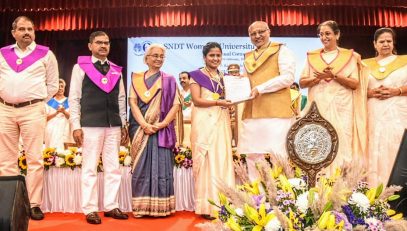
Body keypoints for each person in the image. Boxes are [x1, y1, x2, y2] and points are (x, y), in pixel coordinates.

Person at [0, 16, 59, 220]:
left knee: (34, 158)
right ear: (13, 32)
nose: (27, 32)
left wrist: (37, 102)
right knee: (6, 159)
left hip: (33, 110)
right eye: (22, 29)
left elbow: (52, 84)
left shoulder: (45, 54)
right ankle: (8, 201)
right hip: (5, 109)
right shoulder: (3, 53)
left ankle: (34, 204)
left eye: (30, 29)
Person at [69, 31, 128, 224]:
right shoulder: (80, 68)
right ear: (90, 46)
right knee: (89, 168)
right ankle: (90, 208)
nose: (103, 46)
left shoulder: (115, 69)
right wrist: (75, 125)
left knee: (113, 168)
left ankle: (111, 205)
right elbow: (74, 98)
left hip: (113, 125)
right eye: (99, 43)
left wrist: (123, 122)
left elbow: (121, 99)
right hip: (90, 125)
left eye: (106, 43)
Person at [299, 20, 367, 173]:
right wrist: (317, 78)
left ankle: (342, 183)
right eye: (321, 34)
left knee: (342, 142)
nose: (324, 37)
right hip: (318, 106)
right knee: (319, 141)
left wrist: (334, 76)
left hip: (342, 106)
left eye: (328, 33)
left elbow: (354, 83)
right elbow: (302, 83)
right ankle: (320, 181)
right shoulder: (312, 56)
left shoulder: (349, 56)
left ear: (337, 34)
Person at [237, 21, 296, 181]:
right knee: (252, 155)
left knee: (278, 155)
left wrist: (261, 88)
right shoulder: (248, 56)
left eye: (261, 32)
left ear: (269, 31)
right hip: (252, 111)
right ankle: (257, 196)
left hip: (276, 111)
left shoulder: (282, 50)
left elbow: (288, 78)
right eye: (253, 34)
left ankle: (283, 197)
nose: (257, 36)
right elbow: (246, 82)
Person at [128, 43, 181, 217]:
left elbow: (175, 105)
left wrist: (163, 123)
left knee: (162, 165)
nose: (158, 59)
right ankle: (141, 207)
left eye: (161, 56)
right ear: (146, 58)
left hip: (161, 130)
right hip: (140, 129)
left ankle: (162, 207)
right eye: (155, 55)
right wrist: (144, 124)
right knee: (141, 167)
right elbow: (133, 103)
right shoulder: (136, 78)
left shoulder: (169, 79)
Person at [189, 42, 235, 219]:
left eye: (218, 55)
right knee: (208, 159)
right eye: (212, 55)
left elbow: (227, 98)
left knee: (222, 158)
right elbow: (197, 100)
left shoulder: (224, 77)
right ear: (204, 57)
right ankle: (208, 206)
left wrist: (229, 105)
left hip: (221, 120)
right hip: (204, 121)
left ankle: (225, 204)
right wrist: (218, 102)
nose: (215, 59)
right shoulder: (196, 75)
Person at [364, 28, 407, 186]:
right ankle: (374, 188)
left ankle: (399, 188)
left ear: (393, 43)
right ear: (374, 44)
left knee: (396, 145)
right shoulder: (364, 65)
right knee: (375, 146)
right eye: (381, 41)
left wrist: (397, 90)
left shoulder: (405, 61)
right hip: (373, 112)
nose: (385, 44)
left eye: (389, 41)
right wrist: (371, 92)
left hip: (397, 114)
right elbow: (356, 90)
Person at [45, 79, 72, 150]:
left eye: (62, 86)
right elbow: (45, 118)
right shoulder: (49, 102)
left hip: (65, 128)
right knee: (51, 150)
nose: (60, 88)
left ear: (64, 88)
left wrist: (64, 112)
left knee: (64, 150)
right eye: (58, 86)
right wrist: (56, 113)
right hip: (52, 129)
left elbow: (72, 117)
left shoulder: (69, 101)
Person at [179, 71, 192, 146]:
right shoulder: (178, 93)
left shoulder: (195, 93)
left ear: (190, 79)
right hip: (181, 125)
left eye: (184, 78)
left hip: (193, 124)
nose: (181, 80)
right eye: (180, 79)